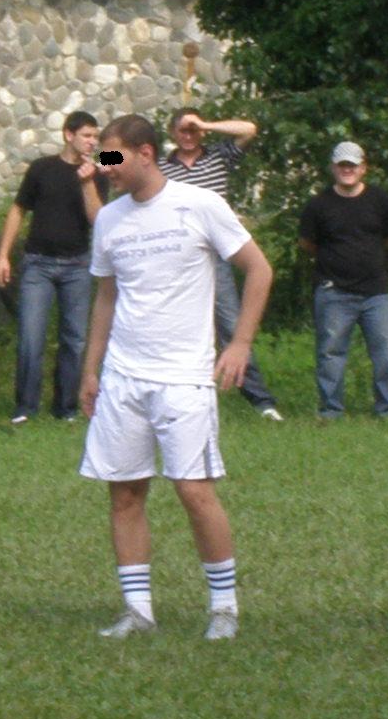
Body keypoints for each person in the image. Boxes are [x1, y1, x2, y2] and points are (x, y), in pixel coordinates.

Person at [79, 114, 271, 640]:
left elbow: (259, 269)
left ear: (145, 153)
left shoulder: (199, 205)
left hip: (183, 377)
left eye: (113, 157)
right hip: (124, 377)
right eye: (102, 158)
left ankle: (224, 608)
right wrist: (91, 370)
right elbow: (106, 296)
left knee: (194, 491)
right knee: (124, 493)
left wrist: (240, 343)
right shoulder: (110, 220)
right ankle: (138, 611)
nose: (106, 167)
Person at [167, 109, 284, 419]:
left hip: (216, 253)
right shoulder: (162, 165)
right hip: (177, 257)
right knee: (176, 325)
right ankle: (181, 392)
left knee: (231, 324)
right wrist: (96, 159)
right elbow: (115, 157)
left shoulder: (218, 157)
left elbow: (249, 128)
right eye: (182, 130)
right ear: (172, 133)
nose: (188, 135)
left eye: (193, 130)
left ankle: (262, 402)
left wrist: (204, 123)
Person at [0, 111, 102, 424]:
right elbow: (18, 210)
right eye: (86, 135)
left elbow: (99, 217)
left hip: (77, 264)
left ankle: (66, 408)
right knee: (31, 336)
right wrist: (2, 255)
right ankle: (25, 407)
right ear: (68, 135)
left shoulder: (98, 168)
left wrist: (91, 176)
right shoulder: (43, 168)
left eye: (95, 137)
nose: (92, 142)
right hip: (37, 264)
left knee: (75, 339)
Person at [300, 140, 388, 421]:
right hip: (333, 291)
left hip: (376, 291)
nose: (348, 170)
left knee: (385, 353)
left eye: (353, 165)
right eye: (342, 165)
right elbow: (308, 243)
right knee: (330, 353)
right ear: (333, 168)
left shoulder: (380, 200)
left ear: (363, 168)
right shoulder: (318, 205)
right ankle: (330, 411)